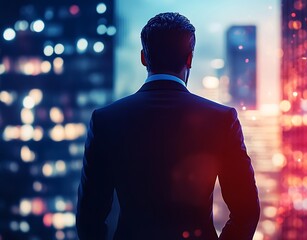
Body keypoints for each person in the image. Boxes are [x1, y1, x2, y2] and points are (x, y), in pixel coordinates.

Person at [76, 12, 260, 240]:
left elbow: (89, 217)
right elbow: (247, 211)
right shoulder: (222, 119)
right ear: (190, 59)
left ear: (144, 57)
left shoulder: (106, 120)